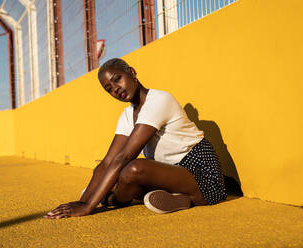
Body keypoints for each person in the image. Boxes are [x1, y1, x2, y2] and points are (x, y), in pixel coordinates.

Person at [44, 58, 227, 219]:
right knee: (116, 187)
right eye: (109, 89)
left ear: (131, 72)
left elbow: (124, 157)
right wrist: (80, 201)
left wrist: (88, 206)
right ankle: (180, 199)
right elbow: (107, 162)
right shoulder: (127, 115)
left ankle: (189, 198)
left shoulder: (158, 100)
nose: (116, 89)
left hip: (202, 175)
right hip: (170, 173)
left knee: (133, 169)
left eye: (117, 79)